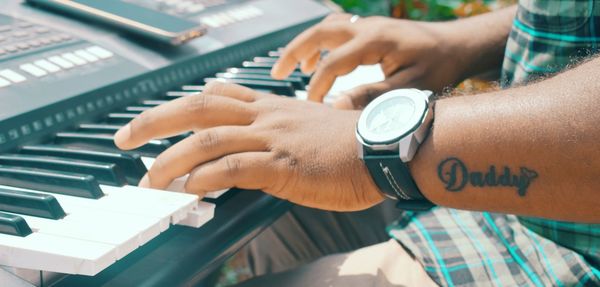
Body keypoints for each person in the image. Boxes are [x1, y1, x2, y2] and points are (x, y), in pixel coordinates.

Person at [114, 1, 600, 286]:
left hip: (557, 259)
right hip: (512, 212)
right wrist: (462, 42)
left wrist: (371, 149)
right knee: (254, 193)